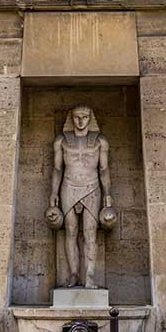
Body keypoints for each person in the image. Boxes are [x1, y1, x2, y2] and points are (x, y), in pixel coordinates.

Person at [48, 105, 114, 288]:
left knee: (90, 232)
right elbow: (57, 169)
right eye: (77, 117)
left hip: (92, 187)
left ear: (90, 119)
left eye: (85, 117)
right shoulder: (61, 141)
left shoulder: (101, 141)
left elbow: (104, 170)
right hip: (68, 186)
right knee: (70, 231)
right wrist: (53, 193)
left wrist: (108, 195)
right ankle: (74, 274)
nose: (80, 121)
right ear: (71, 118)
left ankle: (90, 275)